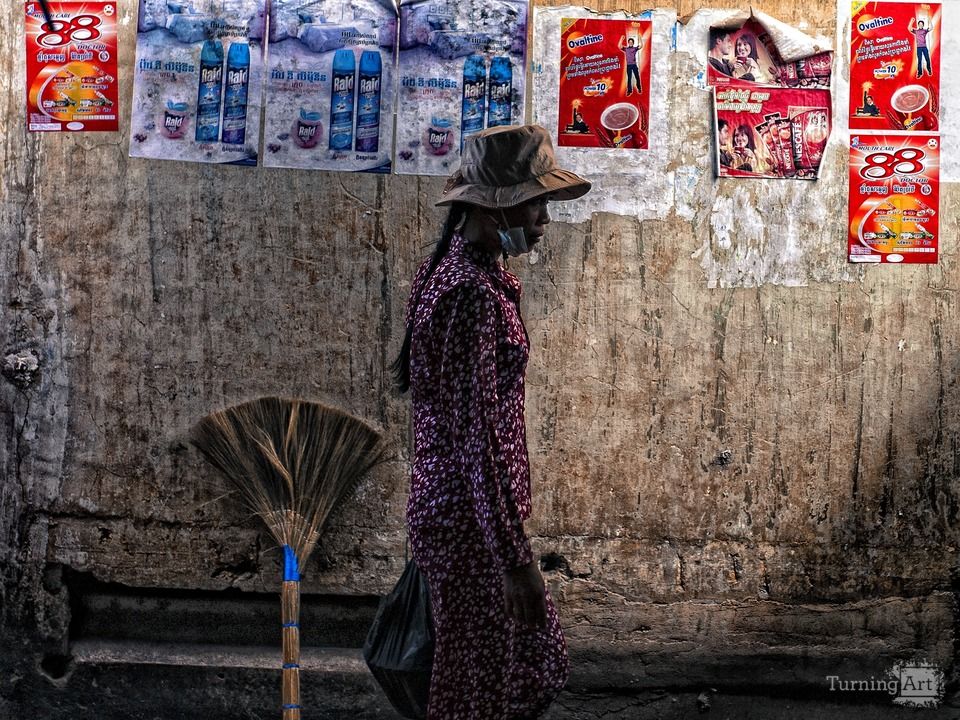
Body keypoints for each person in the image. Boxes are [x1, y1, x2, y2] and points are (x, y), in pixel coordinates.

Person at [393, 125, 591, 719]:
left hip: (458, 514)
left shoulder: (453, 274)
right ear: (497, 205)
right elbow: (477, 442)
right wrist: (514, 558)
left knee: (510, 674)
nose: (543, 222)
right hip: (470, 526)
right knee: (480, 690)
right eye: (537, 204)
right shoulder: (470, 293)